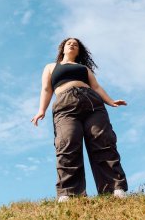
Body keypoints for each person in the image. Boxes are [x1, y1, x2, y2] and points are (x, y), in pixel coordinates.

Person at [31, 38, 128, 202]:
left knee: (103, 141)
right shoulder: (51, 67)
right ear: (62, 48)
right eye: (69, 43)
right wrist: (41, 110)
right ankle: (69, 193)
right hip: (65, 105)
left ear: (79, 50)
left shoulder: (84, 68)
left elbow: (96, 87)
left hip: (92, 104)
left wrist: (110, 101)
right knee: (67, 142)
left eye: (75, 44)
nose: (72, 44)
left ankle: (113, 189)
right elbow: (47, 89)